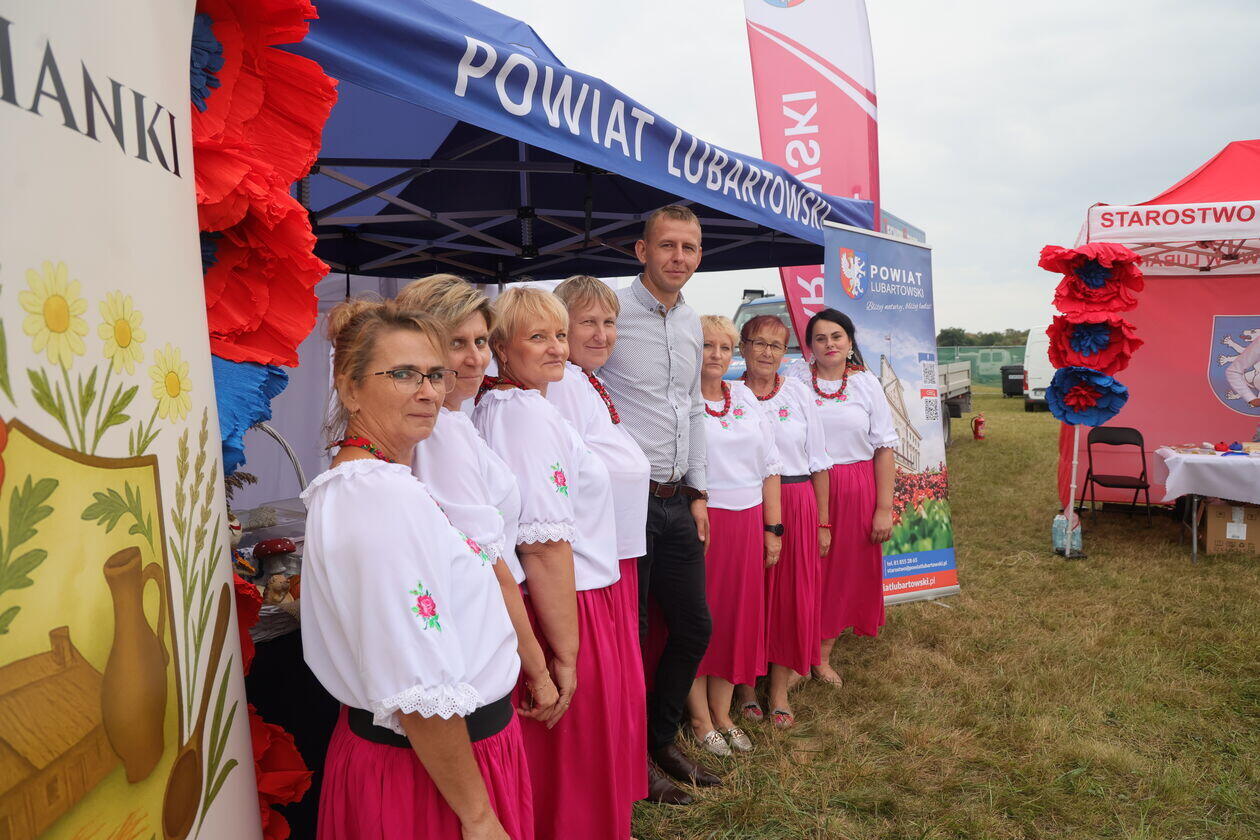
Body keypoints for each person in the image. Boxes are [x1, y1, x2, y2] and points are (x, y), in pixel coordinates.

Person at [302, 299, 534, 840]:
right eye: (403, 374)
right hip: (428, 779)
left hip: (433, 763)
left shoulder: (377, 483)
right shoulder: (380, 496)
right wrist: (478, 817)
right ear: (350, 388)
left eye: (434, 374)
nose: (428, 391)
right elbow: (418, 687)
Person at [473, 286, 633, 840]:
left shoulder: (504, 405)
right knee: (572, 761)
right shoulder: (525, 414)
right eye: (538, 337)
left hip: (563, 593)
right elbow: (542, 545)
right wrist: (564, 655)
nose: (558, 348)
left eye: (560, 335)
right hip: (569, 599)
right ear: (501, 348)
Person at [398, 274, 562, 726]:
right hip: (477, 627)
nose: (475, 358)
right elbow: (491, 566)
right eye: (457, 343)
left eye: (481, 341)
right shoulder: (441, 432)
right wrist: (539, 670)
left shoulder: (451, 420)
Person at [599, 204, 719, 804]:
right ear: (642, 251)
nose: (678, 257)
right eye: (667, 245)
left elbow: (693, 407)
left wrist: (699, 491)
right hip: (626, 501)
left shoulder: (693, 321)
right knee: (633, 633)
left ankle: (661, 739)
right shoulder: (611, 313)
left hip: (677, 501)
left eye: (689, 248)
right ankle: (630, 760)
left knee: (694, 626)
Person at [548, 275, 651, 812]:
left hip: (613, 556)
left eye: (609, 322)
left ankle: (618, 788)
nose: (601, 334)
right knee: (595, 689)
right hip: (587, 566)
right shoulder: (562, 383)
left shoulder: (586, 380)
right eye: (587, 322)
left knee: (616, 684)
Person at [684, 315, 782, 756]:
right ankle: (699, 718)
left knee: (735, 618)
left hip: (747, 522)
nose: (717, 355)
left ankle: (722, 713)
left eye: (724, 347)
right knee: (698, 617)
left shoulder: (743, 397)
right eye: (708, 345)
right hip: (704, 523)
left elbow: (770, 467)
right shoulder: (681, 398)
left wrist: (772, 529)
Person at [788, 309, 897, 672]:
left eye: (836, 336)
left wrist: (883, 508)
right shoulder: (795, 380)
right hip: (805, 487)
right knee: (805, 568)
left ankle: (821, 656)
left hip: (854, 489)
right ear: (810, 346)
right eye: (820, 338)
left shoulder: (866, 384)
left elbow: (884, 449)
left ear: (849, 342)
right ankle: (796, 650)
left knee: (842, 572)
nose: (829, 344)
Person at [736, 314, 831, 729]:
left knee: (790, 598)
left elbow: (819, 461)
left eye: (776, 345)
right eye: (758, 343)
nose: (767, 352)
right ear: (743, 347)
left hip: (796, 501)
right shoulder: (730, 393)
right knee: (749, 597)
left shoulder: (797, 393)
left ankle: (778, 691)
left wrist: (823, 522)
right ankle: (743, 686)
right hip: (745, 503)